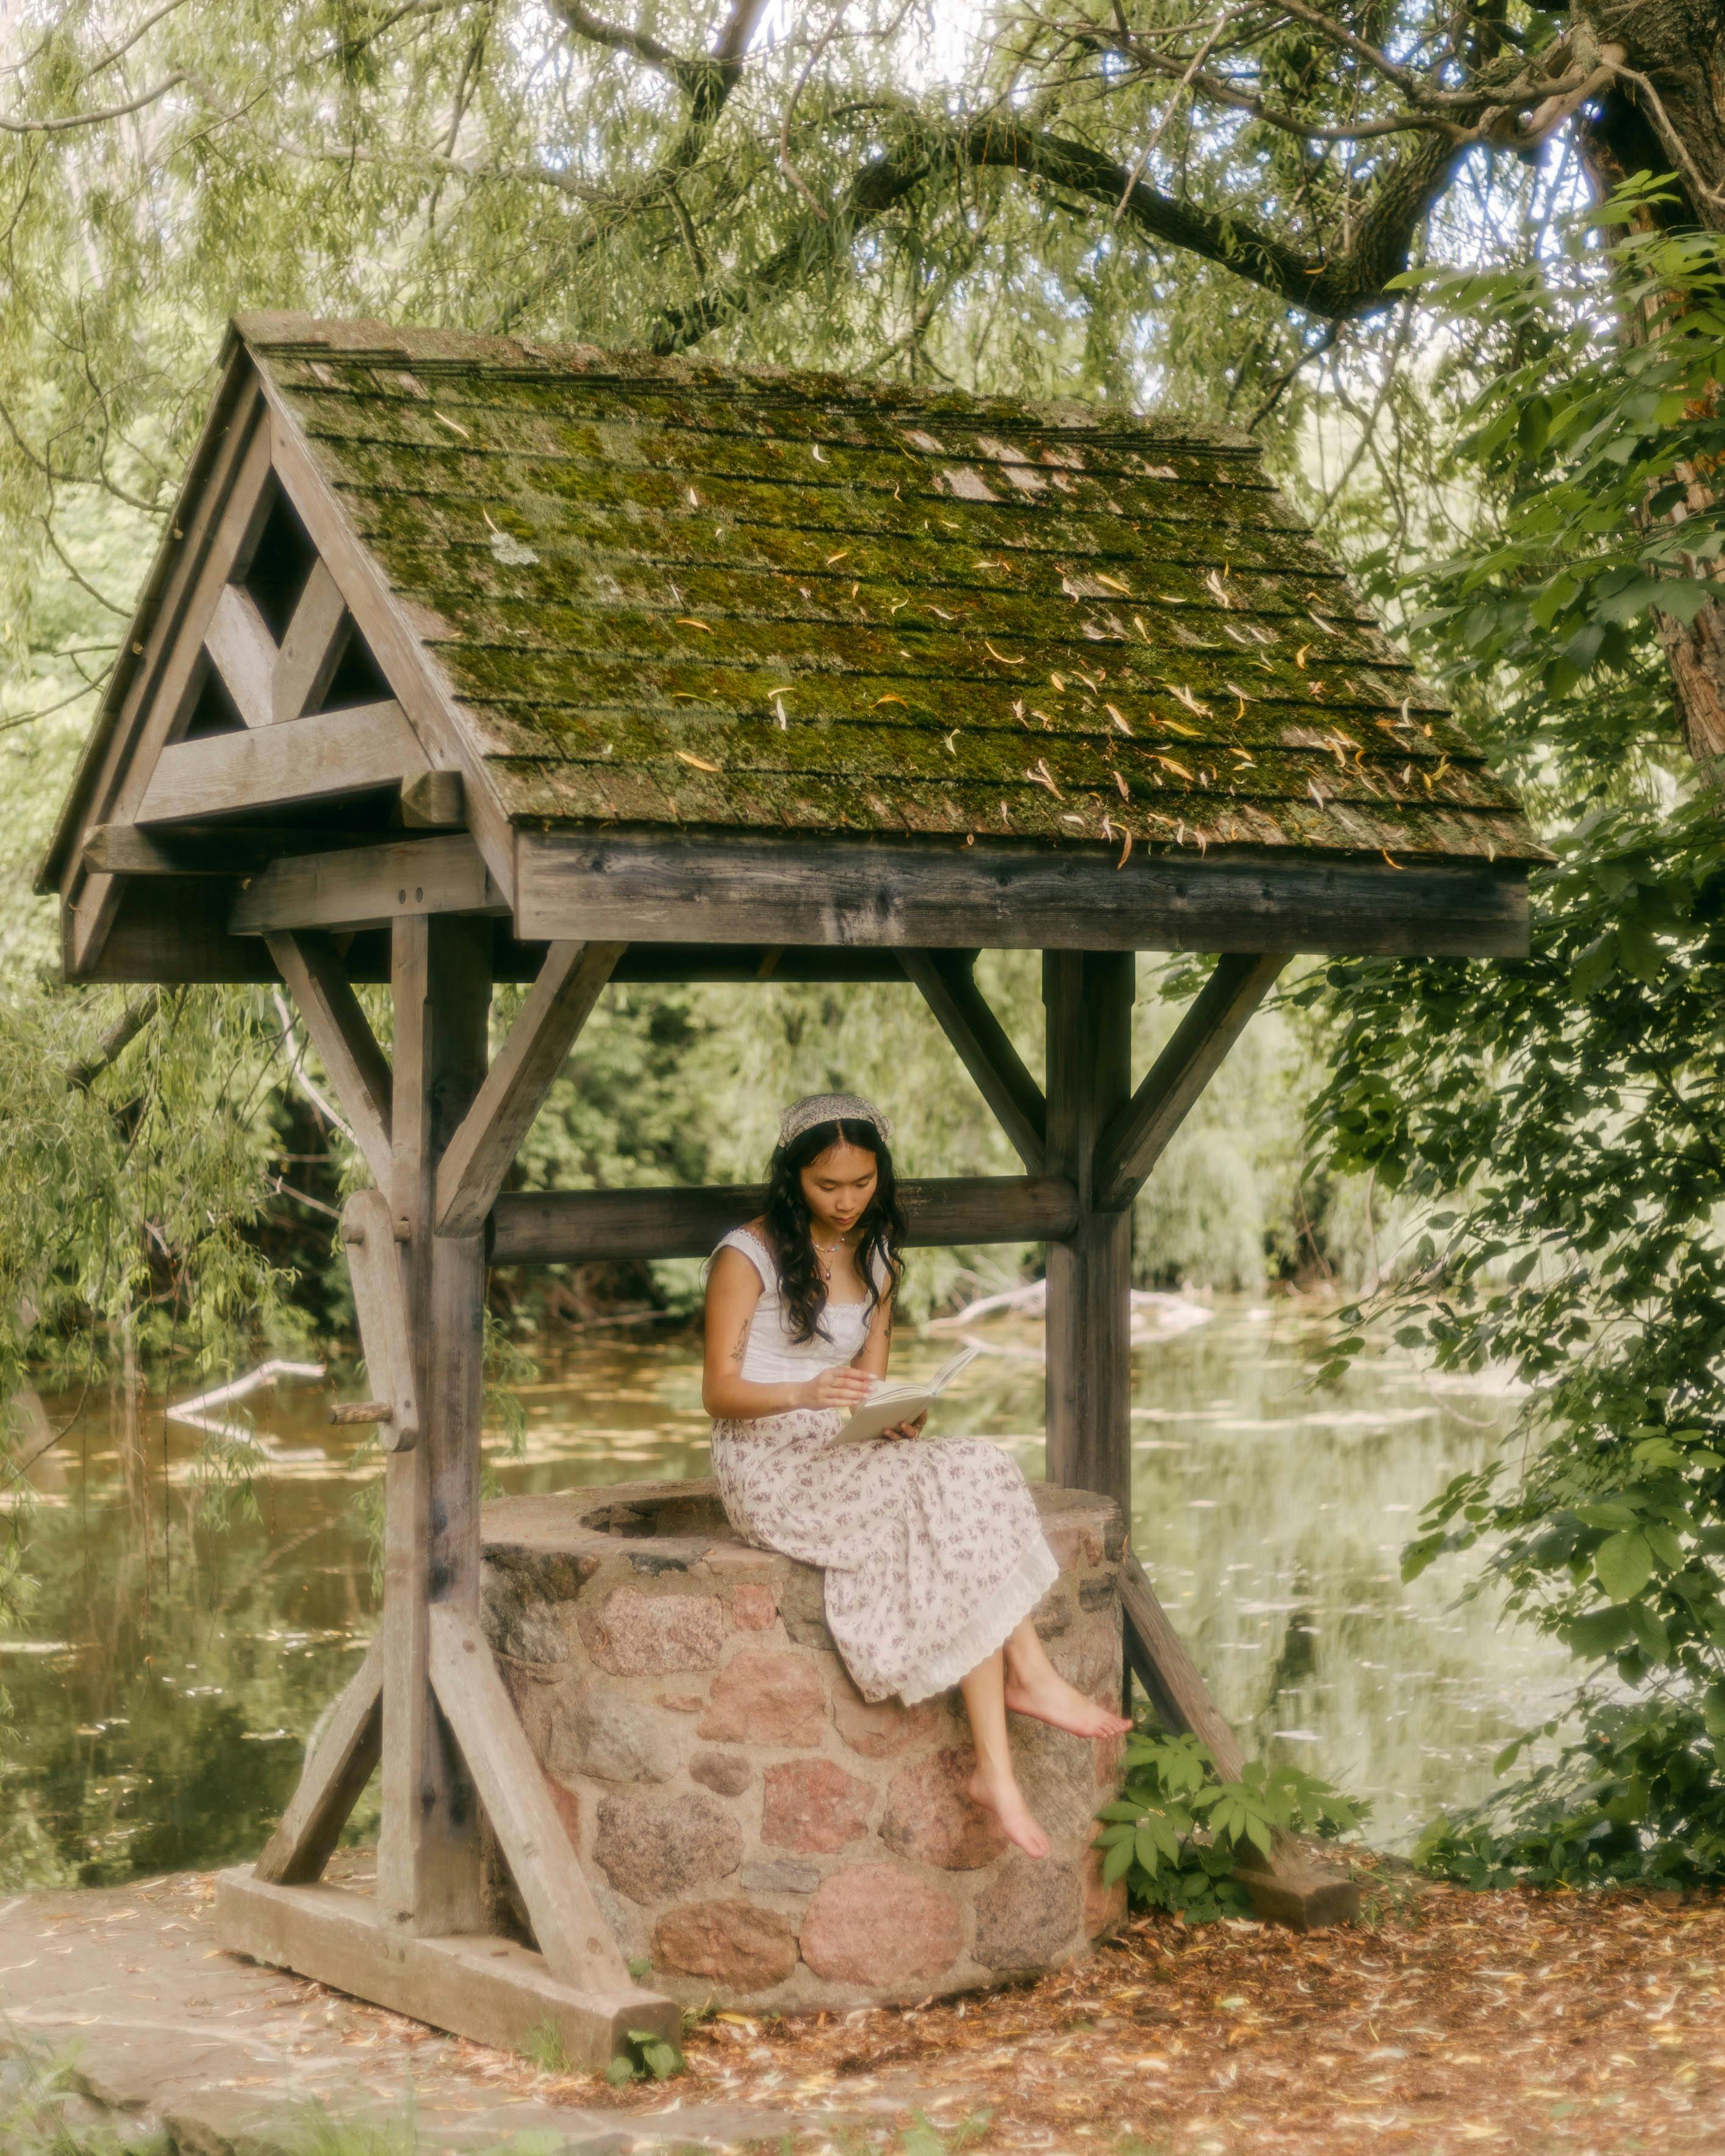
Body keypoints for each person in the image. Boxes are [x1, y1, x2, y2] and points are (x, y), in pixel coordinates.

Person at [703, 1092, 1130, 1860]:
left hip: (843, 1444)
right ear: (790, 1176)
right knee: (949, 1492)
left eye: (862, 1183)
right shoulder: (748, 1255)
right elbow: (717, 1391)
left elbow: (869, 1384)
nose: (845, 1201)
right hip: (767, 1460)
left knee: (976, 1464)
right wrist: (805, 1391)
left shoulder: (877, 1255)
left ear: (880, 1175)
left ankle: (997, 1764)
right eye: (826, 1185)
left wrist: (898, 1416)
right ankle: (1024, 1686)